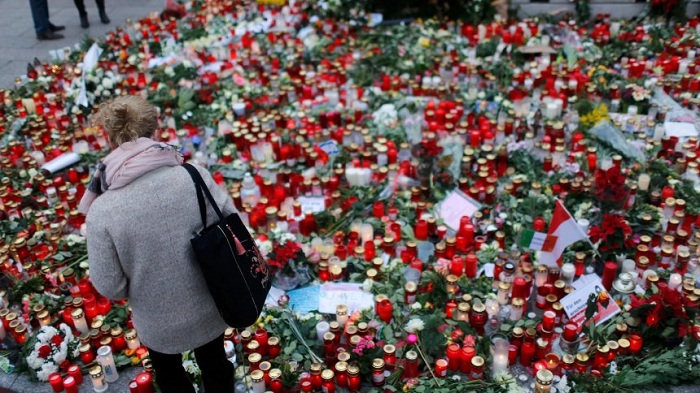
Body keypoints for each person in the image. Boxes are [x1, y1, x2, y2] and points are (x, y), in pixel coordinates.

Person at [80, 96, 234, 393]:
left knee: (170, 378)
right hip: (209, 306)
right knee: (216, 365)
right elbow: (231, 225)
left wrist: (144, 282)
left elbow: (109, 285)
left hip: (156, 321)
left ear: (110, 139)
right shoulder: (193, 176)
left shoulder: (103, 209)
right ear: (156, 129)